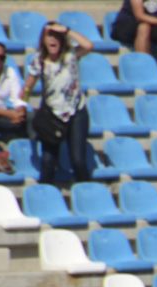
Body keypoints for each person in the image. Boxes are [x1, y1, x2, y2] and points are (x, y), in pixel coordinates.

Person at [21, 22, 94, 184]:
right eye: (49, 35)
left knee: (78, 161)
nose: (52, 39)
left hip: (76, 112)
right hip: (53, 116)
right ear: (43, 40)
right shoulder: (39, 60)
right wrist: (21, 105)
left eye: (56, 35)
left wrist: (67, 30)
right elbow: (27, 87)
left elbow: (88, 45)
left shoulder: (71, 55)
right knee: (47, 162)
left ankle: (87, 194)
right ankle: (44, 198)